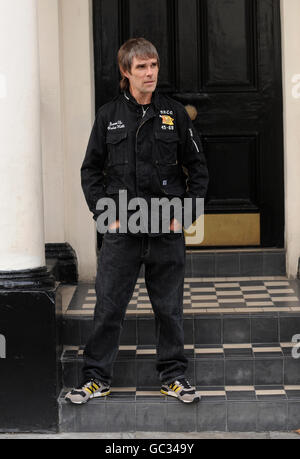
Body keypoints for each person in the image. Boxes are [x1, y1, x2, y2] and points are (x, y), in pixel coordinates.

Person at [65, 38, 209, 405]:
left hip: (165, 230)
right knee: (109, 305)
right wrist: (105, 215)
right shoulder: (108, 116)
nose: (150, 73)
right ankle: (96, 377)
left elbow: (198, 170)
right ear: (125, 72)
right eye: (142, 67)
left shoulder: (174, 114)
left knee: (169, 307)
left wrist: (185, 215)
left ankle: (173, 376)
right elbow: (90, 172)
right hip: (121, 231)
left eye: (154, 66)